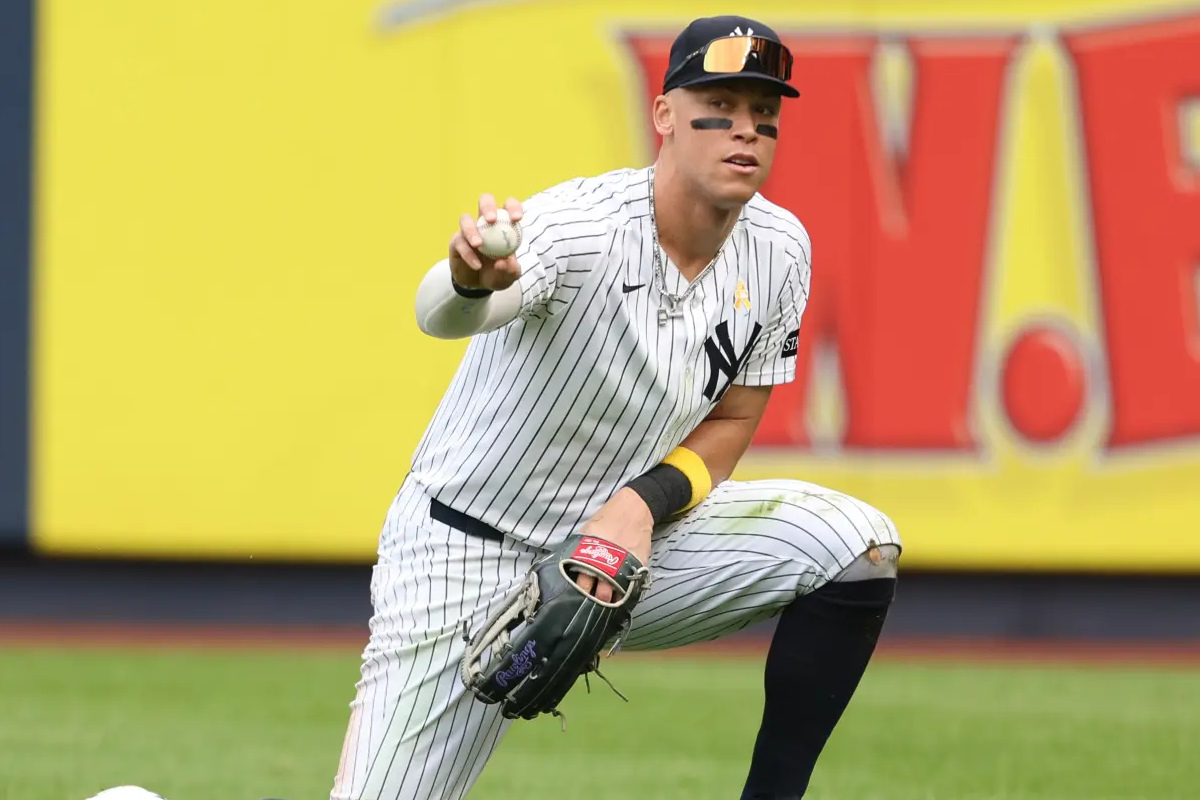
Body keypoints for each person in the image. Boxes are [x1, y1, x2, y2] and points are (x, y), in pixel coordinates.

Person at [330, 14, 901, 800]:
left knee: (856, 546)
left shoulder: (780, 249)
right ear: (664, 115)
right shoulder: (582, 226)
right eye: (721, 107)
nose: (747, 131)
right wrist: (471, 280)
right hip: (465, 553)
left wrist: (641, 504)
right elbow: (447, 313)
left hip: (628, 549)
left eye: (763, 115)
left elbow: (733, 422)